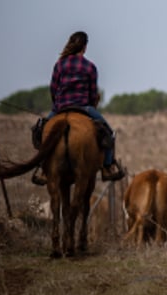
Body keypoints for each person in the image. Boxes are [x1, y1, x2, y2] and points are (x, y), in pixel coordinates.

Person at [32, 31, 124, 185]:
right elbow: (93, 93)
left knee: (41, 130)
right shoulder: (90, 67)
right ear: (85, 47)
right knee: (109, 132)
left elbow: (53, 89)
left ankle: (43, 167)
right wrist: (92, 102)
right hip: (83, 107)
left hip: (60, 107)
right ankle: (108, 167)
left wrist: (57, 105)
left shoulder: (59, 65)